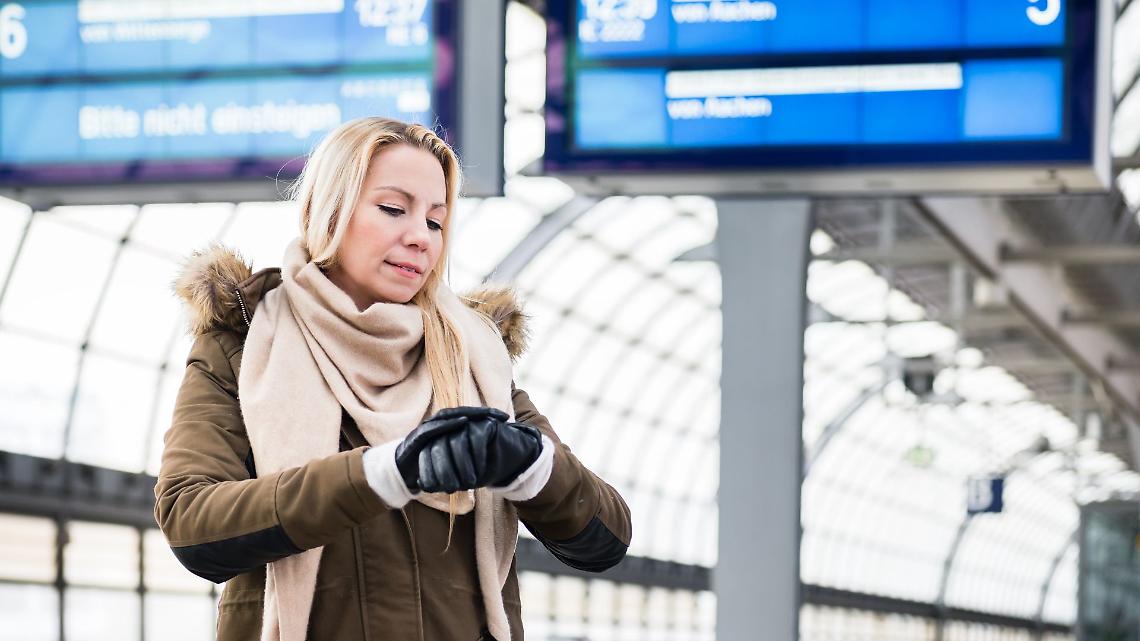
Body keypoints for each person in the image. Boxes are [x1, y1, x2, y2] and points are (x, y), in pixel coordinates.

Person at [154, 117, 632, 641]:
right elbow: (193, 522)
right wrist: (385, 473)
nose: (420, 238)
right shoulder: (243, 342)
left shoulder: (475, 356)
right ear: (327, 210)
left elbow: (605, 538)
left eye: (435, 221)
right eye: (392, 209)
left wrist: (530, 463)